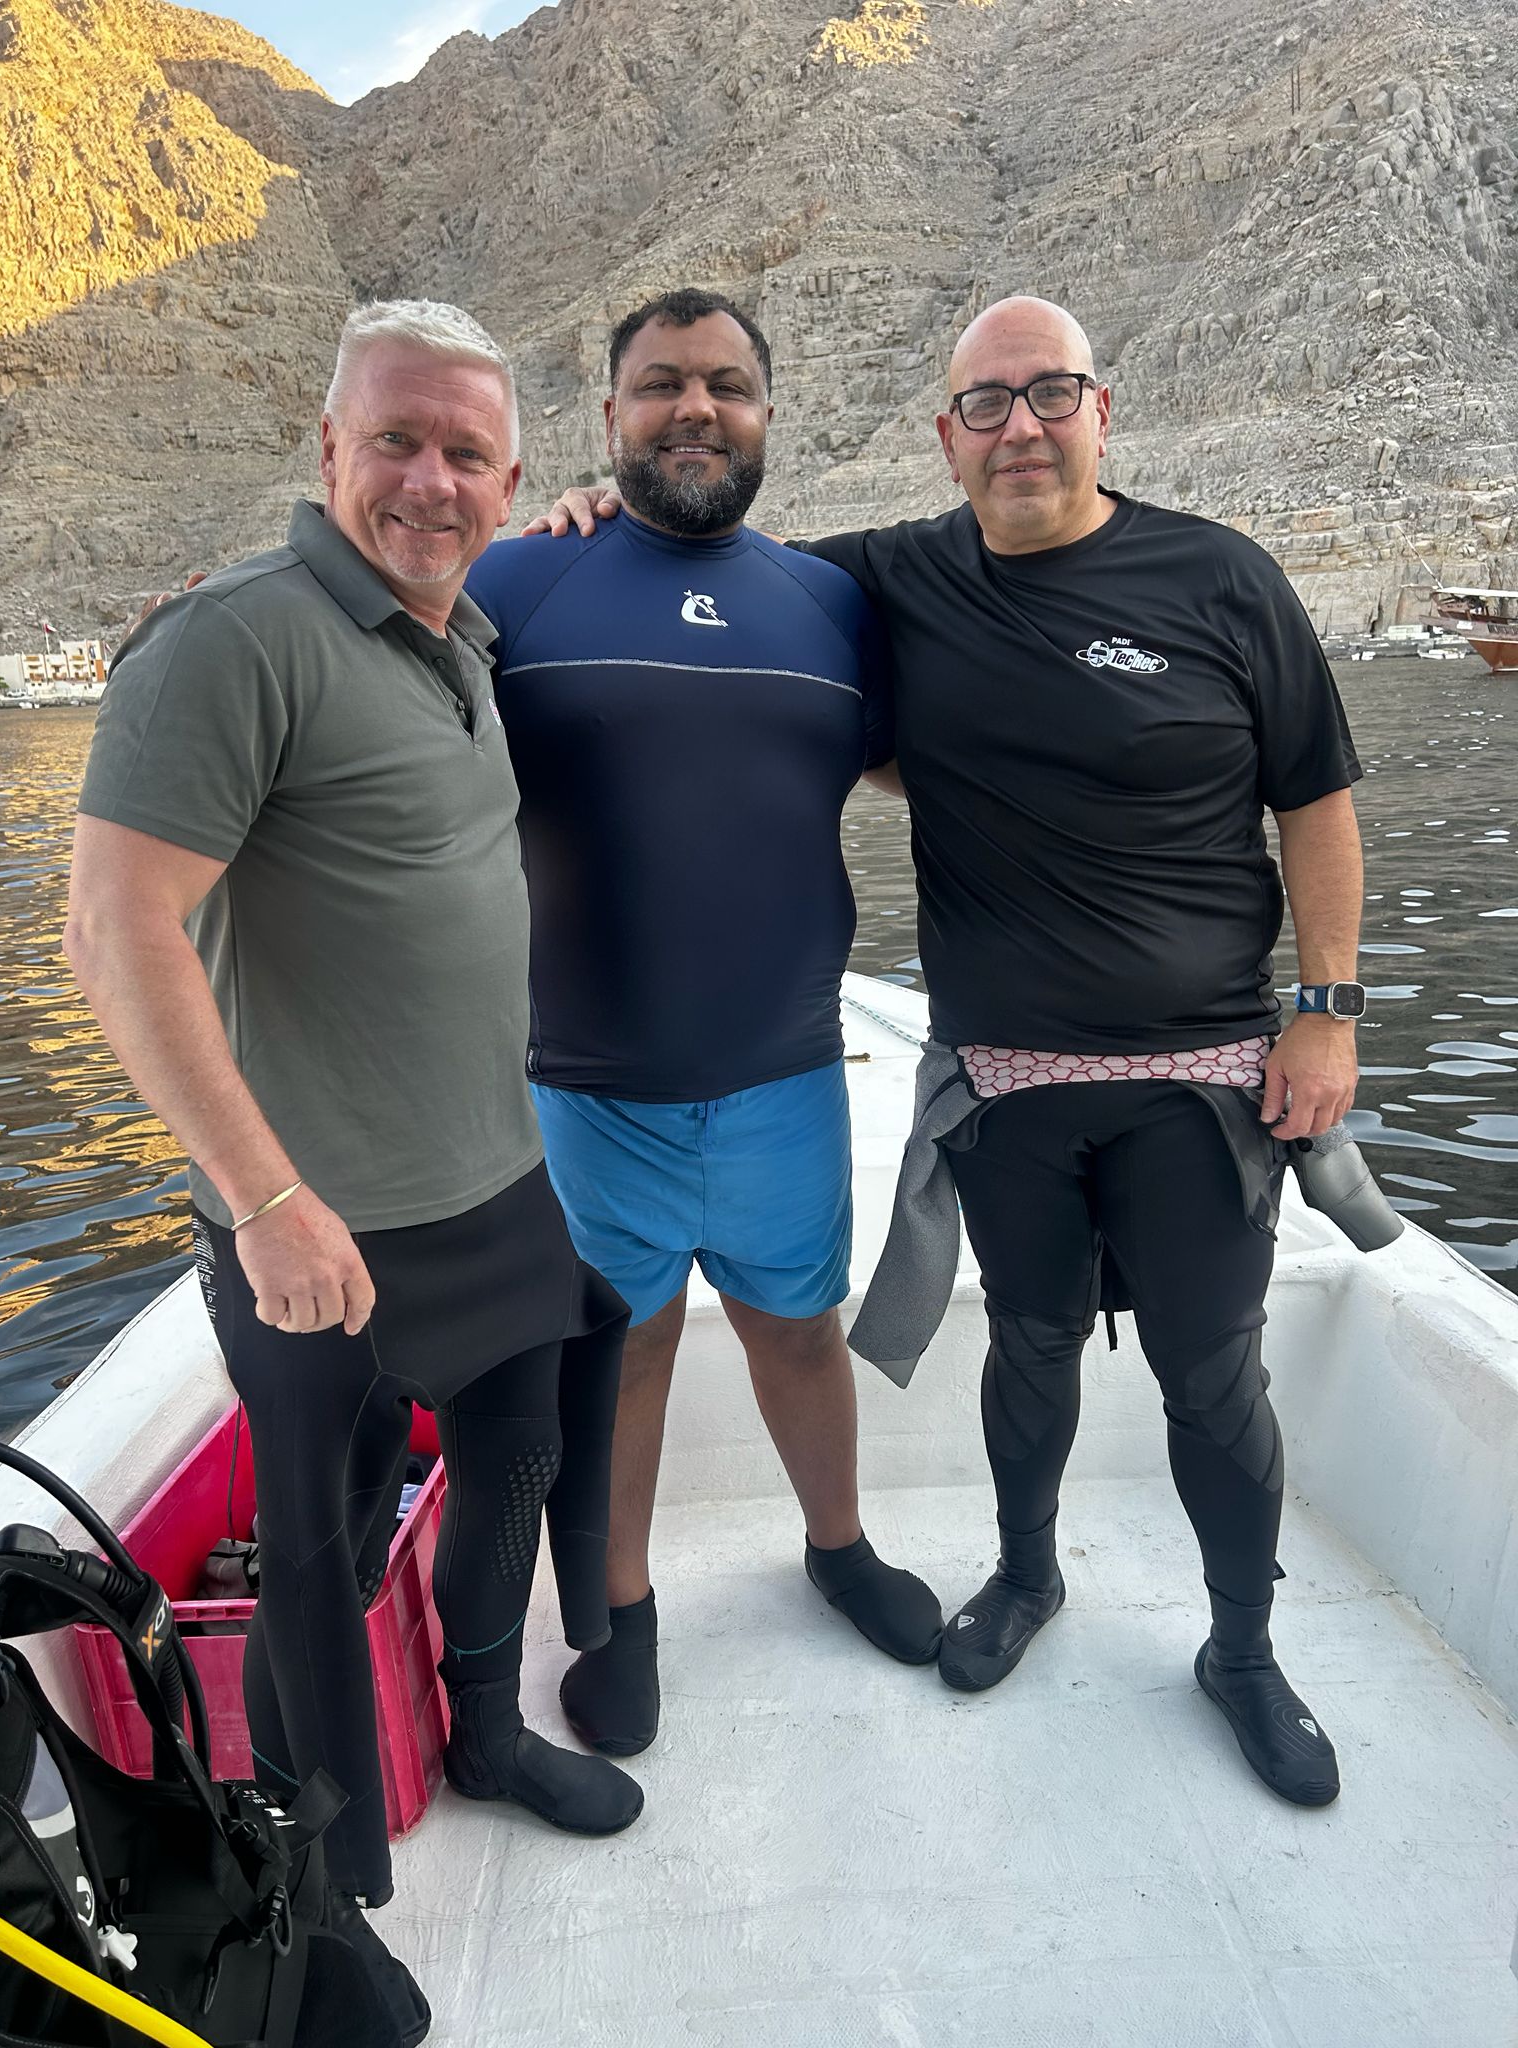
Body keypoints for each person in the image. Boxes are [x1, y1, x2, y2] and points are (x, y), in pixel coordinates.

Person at [535, 294, 1364, 1807]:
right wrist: (602, 521)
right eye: (986, 404)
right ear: (947, 437)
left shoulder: (1221, 576)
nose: (1020, 427)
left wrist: (1329, 1008)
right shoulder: (884, 580)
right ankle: (1021, 1580)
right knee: (1028, 1349)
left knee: (1211, 1376)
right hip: (1010, 1078)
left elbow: (1314, 798)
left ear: (1101, 408)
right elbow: (701, 563)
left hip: (1207, 1072)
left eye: (1050, 395)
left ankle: (1241, 1649)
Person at [65, 300, 642, 2046]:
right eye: (396, 439)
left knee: (520, 1453)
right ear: (328, 449)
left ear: (514, 477)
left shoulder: (452, 637)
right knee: (312, 1541)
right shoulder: (233, 641)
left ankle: (484, 1727)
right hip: (320, 1229)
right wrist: (263, 1198)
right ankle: (325, 1884)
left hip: (493, 1176)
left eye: (468, 451)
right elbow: (115, 927)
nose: (429, 478)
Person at [463, 287, 944, 1763]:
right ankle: (617, 1608)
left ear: (766, 415)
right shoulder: (517, 584)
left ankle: (837, 1545)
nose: (694, 409)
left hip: (785, 1073)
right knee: (627, 1354)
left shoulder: (830, 603)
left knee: (798, 1333)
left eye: (725, 385)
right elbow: (364, 692)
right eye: (661, 383)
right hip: (588, 1086)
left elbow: (933, 766)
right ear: (607, 416)